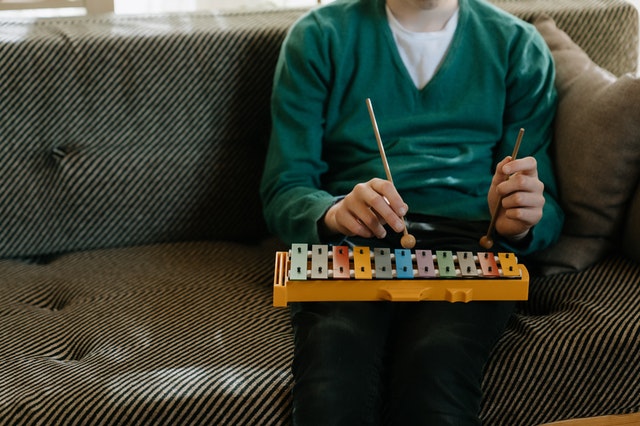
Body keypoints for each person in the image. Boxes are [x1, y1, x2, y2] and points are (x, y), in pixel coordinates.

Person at [260, 0, 564, 424]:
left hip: (471, 243)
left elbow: (546, 206)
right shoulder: (319, 37)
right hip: (351, 241)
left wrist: (519, 222)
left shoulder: (518, 47)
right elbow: (284, 187)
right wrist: (331, 214)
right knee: (334, 365)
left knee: (438, 363)